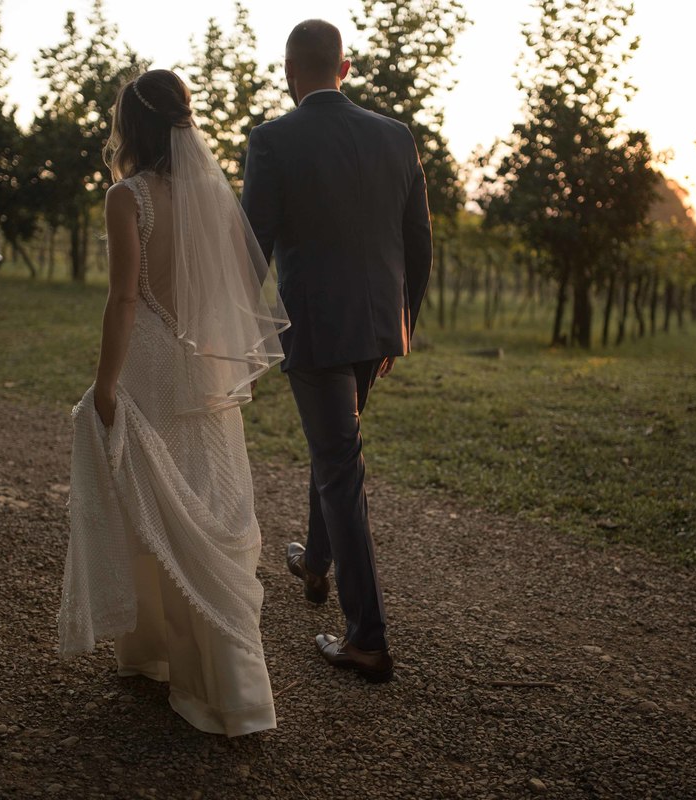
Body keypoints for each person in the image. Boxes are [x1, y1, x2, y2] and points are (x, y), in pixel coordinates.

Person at [56, 69, 289, 737]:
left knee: (154, 502)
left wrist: (105, 384)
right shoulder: (214, 193)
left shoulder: (126, 196)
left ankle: (162, 657)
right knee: (207, 503)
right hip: (204, 362)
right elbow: (231, 285)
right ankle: (212, 680)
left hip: (153, 364)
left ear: (131, 126)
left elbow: (124, 297)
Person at [241, 19, 433, 683]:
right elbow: (419, 243)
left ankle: (367, 640)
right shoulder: (396, 136)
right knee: (336, 450)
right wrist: (399, 326)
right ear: (344, 68)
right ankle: (316, 563)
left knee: (338, 466)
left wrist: (233, 332)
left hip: (318, 330)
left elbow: (252, 248)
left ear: (289, 70)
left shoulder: (272, 140)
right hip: (377, 329)